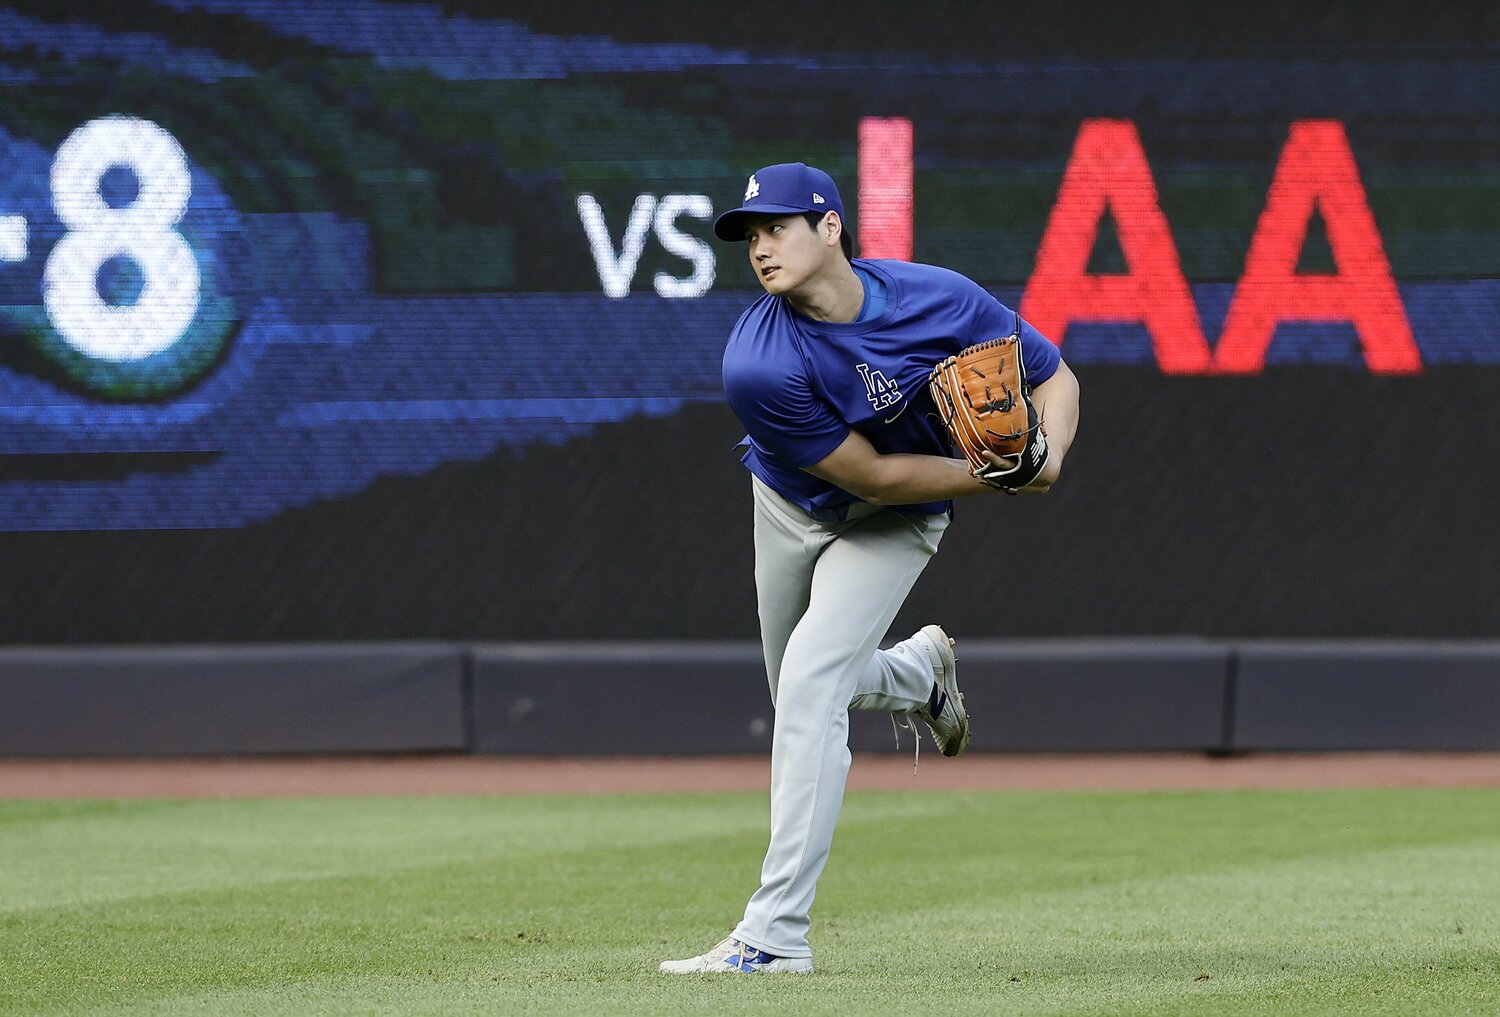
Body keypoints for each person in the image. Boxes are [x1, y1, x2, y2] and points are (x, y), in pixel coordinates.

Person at [660, 163, 1080, 975]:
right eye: (750, 234)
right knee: (801, 693)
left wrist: (1049, 454)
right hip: (795, 506)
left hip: (897, 524)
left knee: (814, 684)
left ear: (830, 227)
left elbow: (1053, 375)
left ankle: (775, 935)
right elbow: (875, 474)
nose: (760, 246)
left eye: (776, 225)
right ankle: (919, 677)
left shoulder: (940, 300)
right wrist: (1002, 472)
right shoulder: (757, 363)